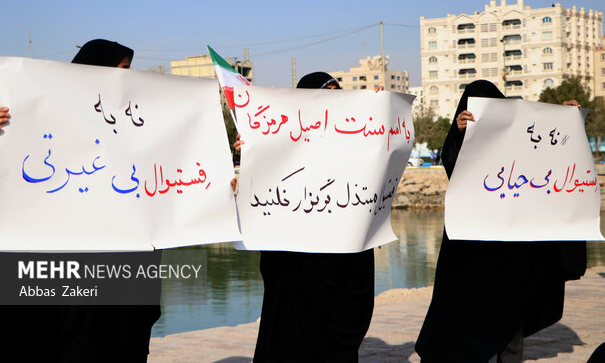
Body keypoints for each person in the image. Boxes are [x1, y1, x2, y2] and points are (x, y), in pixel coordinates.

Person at [0, 39, 160, 363]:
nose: (127, 78)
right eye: (122, 69)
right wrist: (10, 129)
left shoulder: (133, 125)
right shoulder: (52, 123)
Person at [415, 80, 586, 363]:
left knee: (509, 320)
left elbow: (544, 154)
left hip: (511, 250)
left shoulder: (518, 133)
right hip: (468, 251)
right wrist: (460, 134)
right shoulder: (460, 133)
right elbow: (453, 166)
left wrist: (564, 118)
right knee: (460, 318)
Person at [241, 72, 375, 363]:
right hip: (297, 269)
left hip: (343, 269)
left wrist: (381, 116)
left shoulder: (356, 146)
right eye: (325, 93)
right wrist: (253, 153)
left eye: (338, 92)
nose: (334, 99)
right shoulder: (284, 143)